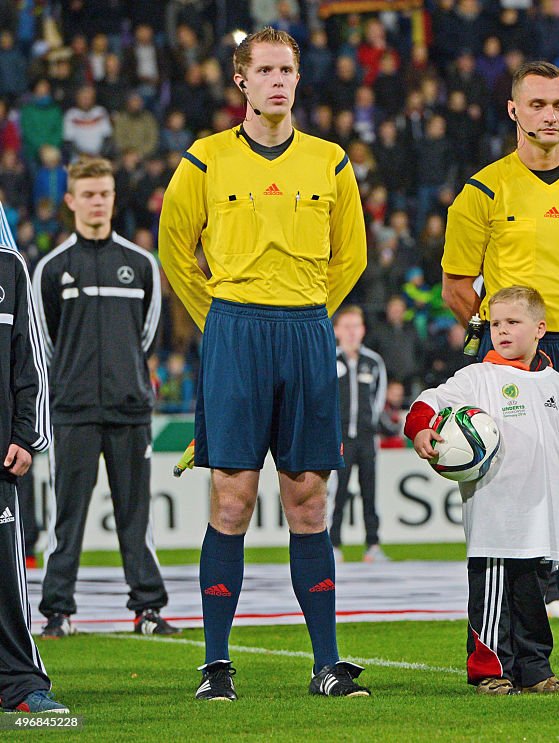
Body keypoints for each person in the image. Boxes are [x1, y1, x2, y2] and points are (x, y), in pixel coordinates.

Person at [158, 28, 369, 701]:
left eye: (288, 70)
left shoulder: (331, 161)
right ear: (241, 81)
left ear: (299, 81)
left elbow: (353, 257)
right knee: (232, 496)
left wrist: (308, 312)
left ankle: (327, 664)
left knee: (309, 499)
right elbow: (173, 248)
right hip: (234, 331)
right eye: (266, 70)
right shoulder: (205, 159)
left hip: (306, 332)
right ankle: (216, 666)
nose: (279, 81)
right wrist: (219, 315)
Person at [441, 60, 559, 691]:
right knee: (505, 504)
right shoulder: (484, 191)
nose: (551, 116)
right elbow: (453, 284)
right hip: (507, 364)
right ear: (514, 111)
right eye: (539, 105)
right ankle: (498, 657)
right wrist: (507, 341)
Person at [405, 286, 559, 694]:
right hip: (494, 517)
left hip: (542, 517)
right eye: (494, 323)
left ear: (540, 328)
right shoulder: (477, 377)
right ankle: (490, 672)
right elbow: (427, 401)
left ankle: (536, 671)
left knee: (533, 602)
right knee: (491, 601)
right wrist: (420, 428)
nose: (501, 331)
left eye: (512, 322)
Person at [32, 157, 177, 639]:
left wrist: (127, 377)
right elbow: (44, 343)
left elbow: (148, 337)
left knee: (136, 515)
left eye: (105, 193)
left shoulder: (141, 266)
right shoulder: (51, 269)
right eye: (89, 194)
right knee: (65, 517)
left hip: (129, 409)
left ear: (115, 199)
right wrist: (70, 383)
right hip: (71, 411)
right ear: (71, 200)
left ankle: (149, 610)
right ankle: (57, 611)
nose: (98, 201)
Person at [0, 205, 69, 714]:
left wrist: (28, 435)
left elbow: (31, 361)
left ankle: (20, 683)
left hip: (0, 453)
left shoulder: (9, 266)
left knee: (5, 574)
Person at [330, 306, 389, 563]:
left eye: (357, 326)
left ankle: (372, 546)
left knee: (369, 492)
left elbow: (379, 397)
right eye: (347, 326)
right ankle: (333, 546)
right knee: (337, 493)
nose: (352, 332)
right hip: (339, 438)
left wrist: (371, 425)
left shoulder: (373, 362)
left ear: (363, 330)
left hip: (366, 438)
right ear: (336, 331)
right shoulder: (329, 360)